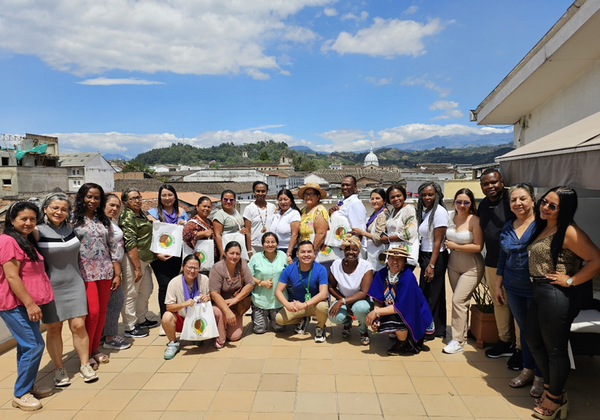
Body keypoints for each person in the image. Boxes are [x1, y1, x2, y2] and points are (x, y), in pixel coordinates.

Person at [526, 186, 600, 420]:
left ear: (563, 209)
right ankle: (551, 389)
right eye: (544, 201)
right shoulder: (543, 225)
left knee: (555, 350)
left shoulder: (568, 231)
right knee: (533, 341)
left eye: (552, 205)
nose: (545, 207)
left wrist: (571, 280)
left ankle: (555, 399)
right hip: (539, 291)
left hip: (555, 294)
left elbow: (596, 259)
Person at [34, 193, 97, 384]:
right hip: (51, 286)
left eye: (63, 209)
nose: (59, 212)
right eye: (54, 208)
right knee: (54, 329)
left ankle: (85, 365)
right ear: (45, 208)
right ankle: (59, 369)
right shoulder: (37, 231)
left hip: (74, 283)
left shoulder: (70, 228)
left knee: (79, 326)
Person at [1, 202, 54, 411]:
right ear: (11, 220)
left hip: (27, 303)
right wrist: (30, 304)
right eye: (23, 219)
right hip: (14, 304)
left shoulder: (25, 239)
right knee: (34, 345)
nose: (29, 223)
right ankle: (20, 393)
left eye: (32, 219)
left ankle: (28, 384)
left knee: (25, 346)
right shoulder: (7, 241)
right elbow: (12, 276)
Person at [495, 184, 541, 396]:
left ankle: (541, 376)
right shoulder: (508, 226)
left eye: (522, 198)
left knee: (537, 331)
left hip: (538, 288)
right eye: (513, 200)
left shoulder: (543, 225)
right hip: (513, 286)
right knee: (524, 329)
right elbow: (503, 257)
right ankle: (527, 370)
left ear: (533, 199)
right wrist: (498, 284)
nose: (518, 203)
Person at [72, 183, 121, 368]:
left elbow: (113, 247)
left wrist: (117, 273)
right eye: (89, 196)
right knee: (91, 313)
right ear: (82, 197)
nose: (93, 201)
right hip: (84, 272)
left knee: (101, 312)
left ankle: (94, 349)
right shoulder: (72, 220)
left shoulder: (104, 221)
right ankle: (86, 351)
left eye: (97, 197)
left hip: (105, 271)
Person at [479, 169, 521, 368]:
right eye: (486, 184)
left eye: (494, 182)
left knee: (518, 305)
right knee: (500, 303)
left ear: (502, 182)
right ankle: (504, 341)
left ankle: (521, 349)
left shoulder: (512, 202)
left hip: (516, 263)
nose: (490, 187)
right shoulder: (484, 205)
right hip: (493, 260)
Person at [365, 247, 433, 355]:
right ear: (388, 259)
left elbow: (402, 307)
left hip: (413, 315)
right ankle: (399, 334)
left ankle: (402, 342)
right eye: (392, 258)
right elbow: (378, 298)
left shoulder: (407, 277)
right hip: (393, 308)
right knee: (380, 314)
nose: (395, 262)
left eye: (399, 259)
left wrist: (376, 312)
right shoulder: (382, 274)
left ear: (405, 263)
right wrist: (376, 317)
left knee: (397, 316)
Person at [442, 188, 484, 354]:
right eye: (459, 201)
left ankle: (457, 340)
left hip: (471, 266)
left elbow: (478, 246)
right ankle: (462, 335)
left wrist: (455, 246)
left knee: (458, 301)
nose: (462, 205)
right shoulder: (450, 217)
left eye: (466, 202)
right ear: (454, 202)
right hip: (453, 264)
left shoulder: (475, 220)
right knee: (462, 302)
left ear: (471, 203)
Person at [147, 185, 189, 332]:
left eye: (170, 195)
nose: (167, 198)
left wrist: (184, 225)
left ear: (175, 196)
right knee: (164, 287)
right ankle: (165, 320)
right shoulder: (152, 213)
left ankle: (175, 318)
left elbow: (187, 233)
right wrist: (157, 254)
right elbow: (150, 235)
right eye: (164, 195)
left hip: (177, 255)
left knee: (175, 286)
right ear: (160, 197)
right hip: (160, 257)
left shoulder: (182, 212)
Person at [119, 188, 157, 339]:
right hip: (133, 259)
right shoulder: (127, 216)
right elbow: (130, 243)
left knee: (146, 289)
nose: (137, 201)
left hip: (145, 258)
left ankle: (141, 318)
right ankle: (130, 326)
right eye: (133, 198)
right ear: (125, 202)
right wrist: (136, 267)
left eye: (138, 197)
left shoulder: (140, 213)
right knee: (131, 292)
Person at [275, 240, 329, 343]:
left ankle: (320, 327)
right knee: (279, 319)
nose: (306, 255)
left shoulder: (320, 269)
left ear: (314, 253)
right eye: (303, 252)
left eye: (309, 252)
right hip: (297, 305)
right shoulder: (290, 269)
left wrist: (305, 305)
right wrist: (287, 304)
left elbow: (323, 294)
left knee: (323, 307)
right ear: (297, 254)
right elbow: (278, 291)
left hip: (315, 304)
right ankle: (303, 319)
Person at [416, 181, 448, 340]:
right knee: (434, 293)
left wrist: (432, 265)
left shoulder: (439, 212)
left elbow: (438, 241)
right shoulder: (427, 212)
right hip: (426, 255)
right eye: (424, 195)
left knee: (430, 295)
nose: (427, 197)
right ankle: (438, 328)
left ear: (437, 195)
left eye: (430, 194)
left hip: (435, 256)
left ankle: (427, 329)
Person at [162, 254, 210, 360]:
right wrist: (184, 304)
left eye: (195, 268)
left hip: (200, 319)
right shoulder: (174, 282)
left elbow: (212, 296)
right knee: (167, 316)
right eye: (189, 267)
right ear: (183, 266)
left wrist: (208, 298)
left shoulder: (204, 279)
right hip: (182, 319)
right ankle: (173, 343)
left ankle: (197, 335)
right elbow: (169, 307)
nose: (192, 271)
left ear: (199, 268)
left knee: (216, 311)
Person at [328, 234, 373, 345]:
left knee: (360, 308)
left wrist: (342, 301)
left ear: (359, 250)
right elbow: (331, 286)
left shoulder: (366, 266)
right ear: (343, 250)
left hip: (362, 300)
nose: (351, 252)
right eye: (348, 249)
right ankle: (347, 322)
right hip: (343, 299)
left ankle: (363, 331)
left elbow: (364, 292)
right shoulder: (336, 264)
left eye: (355, 249)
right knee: (333, 316)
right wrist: (344, 301)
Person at [209, 241, 254, 348]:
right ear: (225, 253)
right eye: (231, 253)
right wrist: (227, 311)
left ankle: (225, 325)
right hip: (220, 303)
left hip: (235, 304)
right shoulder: (217, 268)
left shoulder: (242, 263)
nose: (235, 256)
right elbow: (214, 293)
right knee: (217, 312)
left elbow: (250, 283)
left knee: (235, 336)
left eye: (237, 254)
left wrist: (235, 299)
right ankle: (220, 338)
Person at [102, 193, 131, 351]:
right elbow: (111, 250)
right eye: (111, 205)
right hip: (110, 269)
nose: (115, 208)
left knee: (110, 302)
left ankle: (104, 333)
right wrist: (117, 274)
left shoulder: (110, 222)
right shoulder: (102, 224)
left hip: (113, 266)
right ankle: (110, 337)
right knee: (116, 301)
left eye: (117, 206)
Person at [248, 232, 288, 334]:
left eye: (273, 242)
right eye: (267, 242)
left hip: (278, 301)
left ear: (277, 243)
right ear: (262, 244)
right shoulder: (255, 258)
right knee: (259, 330)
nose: (270, 245)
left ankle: (272, 316)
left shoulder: (283, 256)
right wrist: (261, 283)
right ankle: (259, 315)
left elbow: (290, 274)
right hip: (260, 301)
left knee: (279, 329)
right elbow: (248, 276)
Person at [381, 184, 418, 269]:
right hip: (393, 251)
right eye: (392, 197)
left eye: (398, 196)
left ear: (404, 196)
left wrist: (388, 239)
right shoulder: (394, 210)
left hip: (404, 253)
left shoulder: (409, 209)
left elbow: (409, 233)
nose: (396, 199)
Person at [351, 188, 389, 272]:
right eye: (372, 199)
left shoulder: (382, 215)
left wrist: (362, 233)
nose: (374, 201)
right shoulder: (375, 214)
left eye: (377, 198)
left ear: (384, 200)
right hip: (372, 253)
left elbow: (379, 238)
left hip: (378, 255)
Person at [329, 175, 367, 246]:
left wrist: (354, 248)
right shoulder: (343, 201)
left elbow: (358, 229)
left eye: (348, 185)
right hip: (339, 245)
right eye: (342, 185)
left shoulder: (355, 203)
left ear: (355, 187)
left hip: (350, 247)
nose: (344, 187)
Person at [182, 196, 216, 270]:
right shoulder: (192, 222)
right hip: (196, 262)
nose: (206, 209)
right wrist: (203, 234)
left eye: (209, 207)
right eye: (204, 206)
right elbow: (186, 236)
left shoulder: (209, 222)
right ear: (197, 207)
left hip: (208, 261)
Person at [243, 181, 276, 256]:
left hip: (270, 246)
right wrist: (249, 251)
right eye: (258, 191)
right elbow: (247, 231)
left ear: (267, 192)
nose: (260, 193)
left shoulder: (272, 207)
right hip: (254, 246)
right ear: (254, 192)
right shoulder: (249, 208)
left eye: (263, 191)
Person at [213, 190, 247, 259]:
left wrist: (242, 230)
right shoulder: (219, 215)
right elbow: (217, 235)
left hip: (239, 246)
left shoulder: (236, 211)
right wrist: (222, 252)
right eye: (225, 199)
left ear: (234, 201)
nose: (228, 202)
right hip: (228, 248)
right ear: (221, 200)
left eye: (231, 200)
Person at [270, 188, 301, 265]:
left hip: (288, 250)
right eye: (280, 200)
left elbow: (295, 234)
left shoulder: (294, 213)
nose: (283, 202)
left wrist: (289, 253)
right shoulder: (276, 214)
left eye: (285, 199)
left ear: (291, 200)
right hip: (275, 250)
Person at [298, 182, 329, 253]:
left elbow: (321, 234)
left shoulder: (320, 211)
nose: (308, 196)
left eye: (311, 194)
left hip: (314, 252)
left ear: (318, 196)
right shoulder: (302, 210)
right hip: (302, 251)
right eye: (306, 194)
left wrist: (311, 253)